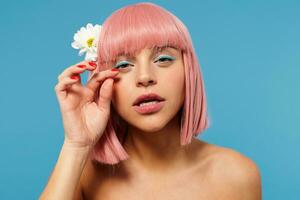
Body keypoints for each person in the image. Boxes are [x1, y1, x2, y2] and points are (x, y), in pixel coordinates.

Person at [39, 2, 262, 200]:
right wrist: (76, 145)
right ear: (103, 82)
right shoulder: (82, 176)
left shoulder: (237, 174)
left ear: (189, 72)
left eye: (163, 59)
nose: (145, 77)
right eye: (123, 65)